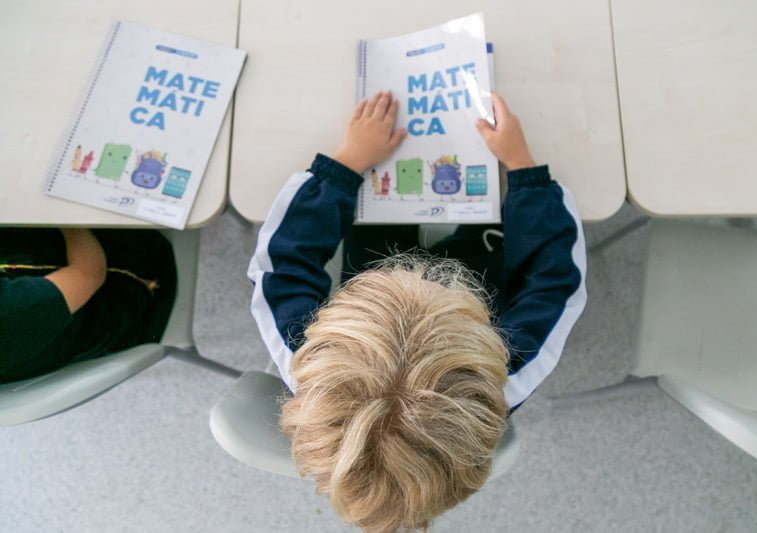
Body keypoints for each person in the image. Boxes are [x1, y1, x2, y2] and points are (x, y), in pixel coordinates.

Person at [248, 91, 587, 531]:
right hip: (478, 260)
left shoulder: (315, 368)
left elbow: (277, 268)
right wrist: (524, 170)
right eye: (439, 293)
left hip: (373, 249)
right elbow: (556, 283)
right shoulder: (500, 381)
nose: (422, 274)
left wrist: (344, 166)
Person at [0, 228, 177, 383]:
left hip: (43, 262)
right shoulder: (12, 314)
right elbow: (89, 273)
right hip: (136, 283)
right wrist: (65, 218)